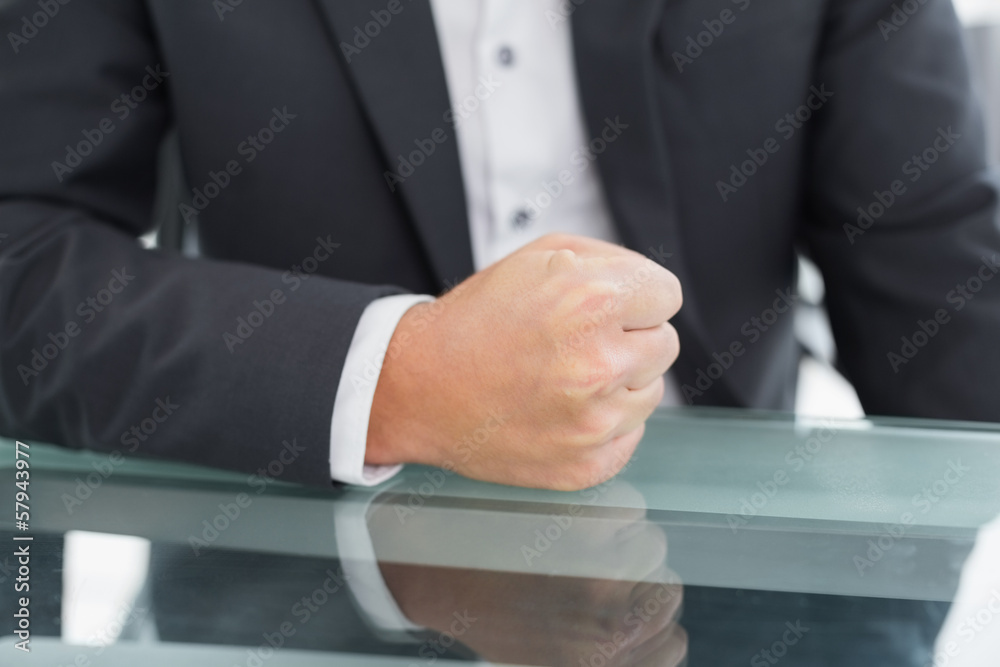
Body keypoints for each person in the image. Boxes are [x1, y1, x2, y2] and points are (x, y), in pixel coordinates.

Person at [1, 0, 998, 492]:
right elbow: (20, 255)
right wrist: (395, 377)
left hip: (742, 569)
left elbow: (941, 281)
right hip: (289, 556)